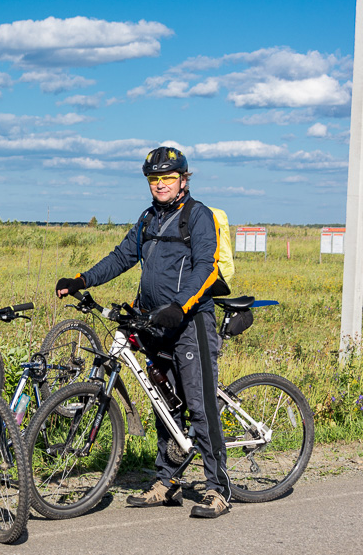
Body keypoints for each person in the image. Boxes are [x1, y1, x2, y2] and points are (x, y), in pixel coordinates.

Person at [55, 146, 232, 519]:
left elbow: (207, 270)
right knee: (164, 403)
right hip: (154, 321)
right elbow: (122, 257)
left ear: (184, 180)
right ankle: (167, 482)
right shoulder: (149, 218)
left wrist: (179, 307)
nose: (161, 185)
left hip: (190, 321)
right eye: (155, 179)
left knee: (200, 407)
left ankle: (218, 489)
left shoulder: (198, 217)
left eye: (168, 178)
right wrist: (82, 279)